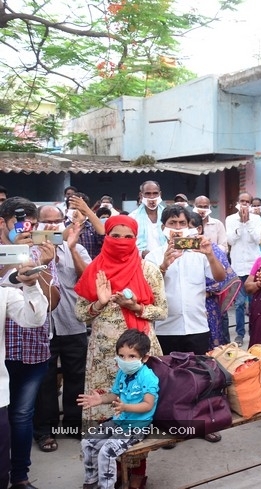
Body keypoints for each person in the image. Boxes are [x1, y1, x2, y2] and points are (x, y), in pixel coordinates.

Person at [75, 215, 168, 489]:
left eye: (129, 237)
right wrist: (99, 304)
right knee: (105, 413)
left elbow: (162, 310)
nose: (122, 242)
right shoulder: (95, 270)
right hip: (104, 357)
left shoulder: (148, 270)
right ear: (106, 237)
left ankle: (137, 472)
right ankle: (108, 473)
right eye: (116, 235)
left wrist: (137, 308)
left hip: (139, 356)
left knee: (135, 413)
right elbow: (81, 313)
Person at [0, 197, 60, 489]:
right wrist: (14, 259)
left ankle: (20, 476)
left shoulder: (42, 252)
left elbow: (53, 302)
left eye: (33, 225)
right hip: (4, 347)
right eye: (22, 224)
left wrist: (42, 270)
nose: (29, 229)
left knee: (22, 415)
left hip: (33, 347)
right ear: (3, 222)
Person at [33, 206, 90, 454]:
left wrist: (72, 247)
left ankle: (73, 424)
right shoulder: (29, 249)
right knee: (44, 382)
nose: (53, 226)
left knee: (76, 377)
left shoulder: (75, 246)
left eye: (58, 221)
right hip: (41, 327)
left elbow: (88, 277)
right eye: (47, 222)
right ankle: (44, 430)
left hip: (72, 324)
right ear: (36, 224)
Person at [78, 329, 159, 489]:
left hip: (135, 427)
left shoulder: (148, 377)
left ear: (144, 358)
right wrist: (100, 399)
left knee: (106, 453)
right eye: (121, 356)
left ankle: (106, 486)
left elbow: (148, 405)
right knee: (88, 442)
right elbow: (114, 394)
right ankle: (91, 482)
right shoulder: (122, 373)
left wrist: (125, 407)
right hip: (118, 422)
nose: (125, 361)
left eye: (132, 356)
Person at [145, 206, 226, 356]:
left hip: (198, 327)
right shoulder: (153, 256)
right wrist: (163, 266)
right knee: (169, 375)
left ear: (189, 227)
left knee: (196, 375)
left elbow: (220, 277)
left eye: (182, 223)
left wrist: (210, 255)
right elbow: (149, 290)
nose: (177, 227)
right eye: (172, 223)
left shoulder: (200, 253)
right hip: (166, 329)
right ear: (163, 227)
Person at [0, 261, 50, 489]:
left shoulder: (5, 293)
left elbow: (34, 318)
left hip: (23, 363)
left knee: (19, 418)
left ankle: (18, 477)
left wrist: (31, 284)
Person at [188, 212, 237, 349]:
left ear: (198, 229)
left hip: (208, 305)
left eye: (188, 227)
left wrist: (206, 292)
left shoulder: (211, 249)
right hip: (184, 306)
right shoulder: (175, 250)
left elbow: (224, 277)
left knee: (211, 343)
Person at [225, 192, 261, 346]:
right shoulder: (230, 219)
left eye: (247, 202)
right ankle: (240, 334)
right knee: (239, 303)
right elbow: (230, 240)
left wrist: (248, 223)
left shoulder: (257, 219)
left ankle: (255, 332)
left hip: (253, 266)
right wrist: (241, 223)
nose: (244, 204)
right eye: (242, 201)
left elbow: (258, 239)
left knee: (254, 303)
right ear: (238, 203)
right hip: (238, 267)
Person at [128, 180, 167, 256]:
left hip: (167, 259)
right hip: (142, 262)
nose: (152, 197)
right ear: (141, 195)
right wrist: (141, 253)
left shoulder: (168, 216)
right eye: (148, 194)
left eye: (155, 193)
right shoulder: (132, 218)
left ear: (160, 194)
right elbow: (128, 243)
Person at [66, 192, 106, 259]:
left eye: (80, 210)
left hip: (90, 267)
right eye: (73, 209)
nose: (77, 212)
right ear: (67, 211)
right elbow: (60, 240)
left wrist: (86, 211)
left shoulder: (93, 228)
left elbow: (103, 235)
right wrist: (76, 223)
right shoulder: (61, 226)